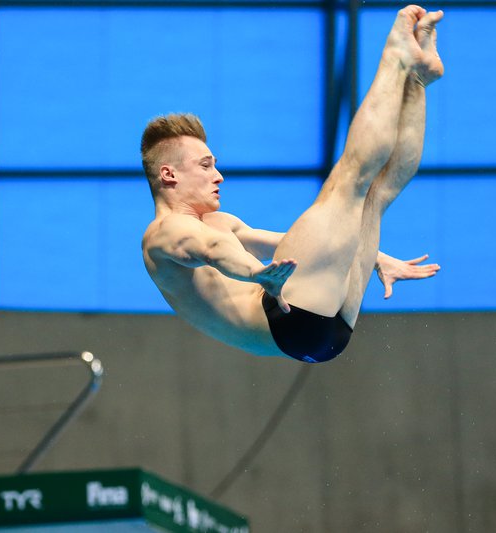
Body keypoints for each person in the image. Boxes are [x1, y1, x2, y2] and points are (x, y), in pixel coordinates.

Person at [141, 5, 443, 363]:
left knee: (377, 194)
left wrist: (375, 258)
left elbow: (276, 246)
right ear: (169, 175)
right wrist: (258, 275)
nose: (218, 176)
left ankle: (417, 80)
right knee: (350, 180)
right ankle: (396, 58)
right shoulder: (164, 232)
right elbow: (212, 250)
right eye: (206, 166)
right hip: (285, 315)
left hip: (319, 333)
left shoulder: (216, 222)